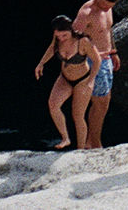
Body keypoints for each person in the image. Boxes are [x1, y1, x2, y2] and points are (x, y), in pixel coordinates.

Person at [34, 15, 101, 151]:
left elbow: (97, 60)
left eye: (64, 36)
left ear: (70, 30)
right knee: (53, 105)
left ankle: (80, 149)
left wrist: (91, 80)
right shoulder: (58, 39)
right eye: (59, 36)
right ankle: (65, 138)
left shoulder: (82, 41)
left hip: (83, 80)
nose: (61, 39)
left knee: (77, 115)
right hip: (64, 78)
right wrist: (41, 63)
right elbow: (52, 48)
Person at [72, 0, 120, 149]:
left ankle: (90, 142)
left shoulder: (107, 8)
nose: (107, 9)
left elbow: (108, 30)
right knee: (100, 102)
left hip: (106, 58)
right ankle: (94, 143)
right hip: (93, 61)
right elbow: (72, 40)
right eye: (105, 5)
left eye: (110, 6)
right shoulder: (86, 13)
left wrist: (113, 52)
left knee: (104, 102)